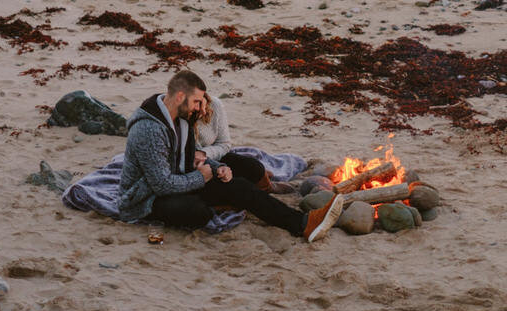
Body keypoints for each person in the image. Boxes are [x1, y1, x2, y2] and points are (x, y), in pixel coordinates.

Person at [117, 70, 344, 241]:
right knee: (197, 212)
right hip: (146, 198)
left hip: (180, 179)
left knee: (240, 186)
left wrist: (216, 168)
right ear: (179, 97)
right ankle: (217, 204)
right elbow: (161, 185)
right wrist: (202, 178)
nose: (200, 108)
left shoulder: (182, 118)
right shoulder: (149, 130)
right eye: (197, 101)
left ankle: (302, 224)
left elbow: (190, 159)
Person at [192, 88, 273, 191]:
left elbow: (224, 143)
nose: (200, 109)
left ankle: (268, 187)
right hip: (191, 166)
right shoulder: (178, 114)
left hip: (213, 156)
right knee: (229, 184)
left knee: (254, 167)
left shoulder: (215, 105)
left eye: (200, 102)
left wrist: (203, 153)